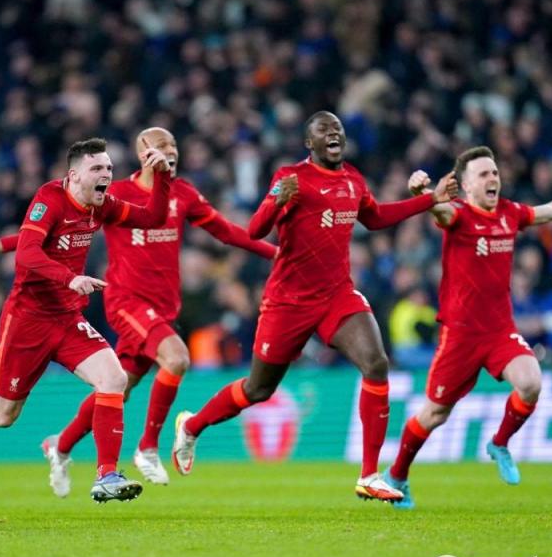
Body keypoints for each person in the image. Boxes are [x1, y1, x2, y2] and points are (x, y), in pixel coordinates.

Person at [0, 127, 277, 490]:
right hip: (125, 301)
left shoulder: (179, 193)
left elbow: (219, 230)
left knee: (116, 386)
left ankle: (62, 445)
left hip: (159, 307)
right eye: (160, 145)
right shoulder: (113, 193)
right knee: (176, 358)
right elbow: (44, 233)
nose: (169, 150)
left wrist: (276, 254)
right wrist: (5, 246)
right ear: (143, 154)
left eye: (173, 144)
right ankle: (149, 447)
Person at [171, 111, 458, 502]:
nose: (333, 133)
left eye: (337, 128)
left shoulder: (353, 179)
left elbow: (375, 218)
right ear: (310, 143)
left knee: (376, 364)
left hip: (337, 295)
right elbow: (254, 230)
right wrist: (276, 201)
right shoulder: (291, 177)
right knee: (258, 388)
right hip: (288, 302)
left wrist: (429, 200)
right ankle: (191, 427)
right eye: (324, 130)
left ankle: (369, 474)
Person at [0, 137, 173, 503]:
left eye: (108, 168)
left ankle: (106, 475)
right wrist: (69, 278)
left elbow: (153, 218)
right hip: (27, 321)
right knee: (3, 414)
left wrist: (162, 177)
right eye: (97, 169)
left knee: (114, 378)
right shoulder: (50, 198)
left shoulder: (100, 205)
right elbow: (27, 254)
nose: (106, 175)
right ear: (74, 176)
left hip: (66, 318)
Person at [382, 145, 552, 509]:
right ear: (466, 185)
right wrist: (422, 192)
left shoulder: (510, 213)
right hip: (460, 335)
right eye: (483, 174)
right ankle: (397, 475)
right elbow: (438, 209)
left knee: (531, 383)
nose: (492, 178)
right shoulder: (458, 214)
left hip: (499, 331)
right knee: (434, 414)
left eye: (494, 172)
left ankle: (499, 443)